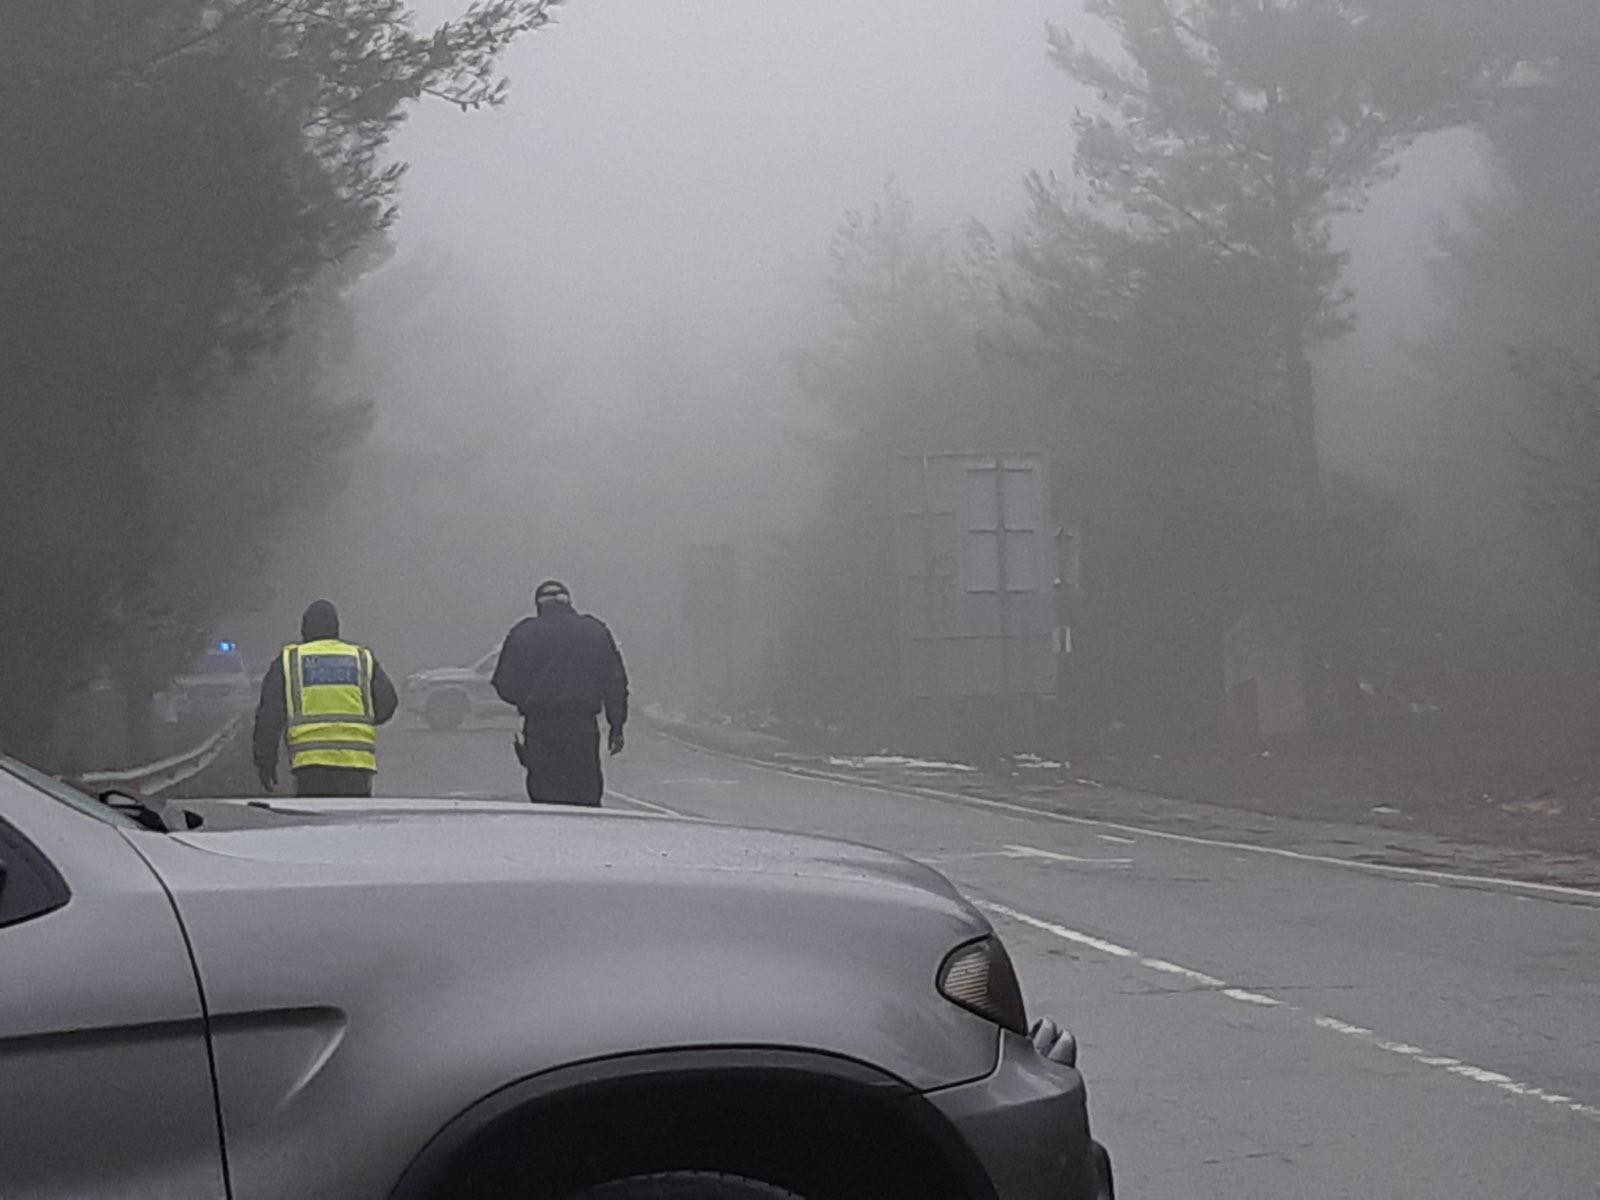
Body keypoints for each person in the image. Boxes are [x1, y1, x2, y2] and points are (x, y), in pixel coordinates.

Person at [492, 580, 629, 806]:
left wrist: (526, 700)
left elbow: (503, 682)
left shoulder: (523, 633)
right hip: (581, 727)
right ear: (569, 602)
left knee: (545, 794)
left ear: (539, 605)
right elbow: (615, 682)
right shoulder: (594, 631)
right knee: (585, 792)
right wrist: (616, 726)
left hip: (541, 726)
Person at [252, 600, 398, 797]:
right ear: (336, 628)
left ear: (304, 628)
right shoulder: (360, 658)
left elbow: (269, 716)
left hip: (310, 765)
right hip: (356, 765)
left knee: (316, 822)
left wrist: (265, 761)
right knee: (353, 823)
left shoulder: (290, 661)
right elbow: (387, 704)